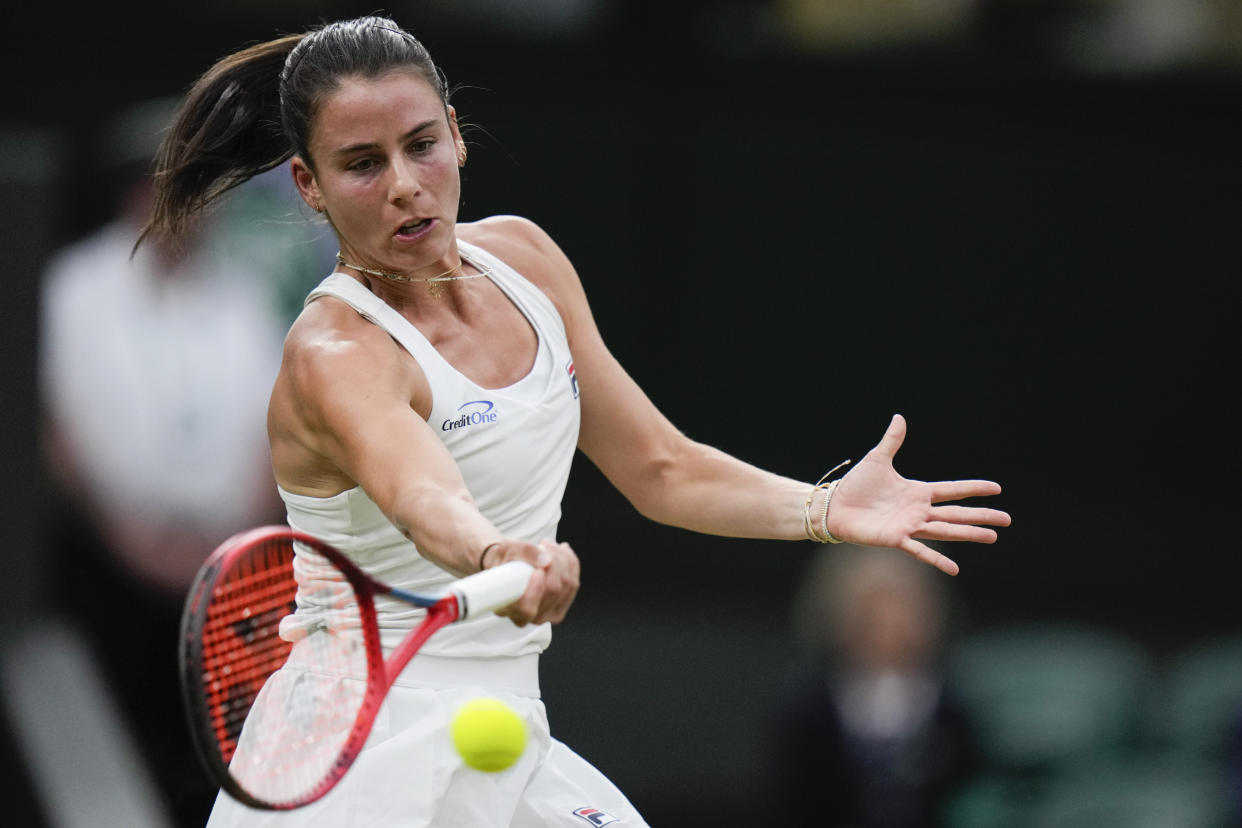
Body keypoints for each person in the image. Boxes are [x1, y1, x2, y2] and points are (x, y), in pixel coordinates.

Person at [138, 15, 1011, 826]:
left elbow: (661, 468)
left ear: (454, 132)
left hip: (504, 721)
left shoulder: (525, 259)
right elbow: (420, 492)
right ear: (310, 185)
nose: (405, 186)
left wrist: (824, 511)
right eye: (363, 164)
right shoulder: (335, 353)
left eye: (421, 146)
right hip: (351, 750)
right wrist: (496, 554)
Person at [778, 545, 978, 827]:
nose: (889, 622)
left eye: (903, 607)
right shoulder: (809, 710)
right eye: (873, 609)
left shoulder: (957, 706)